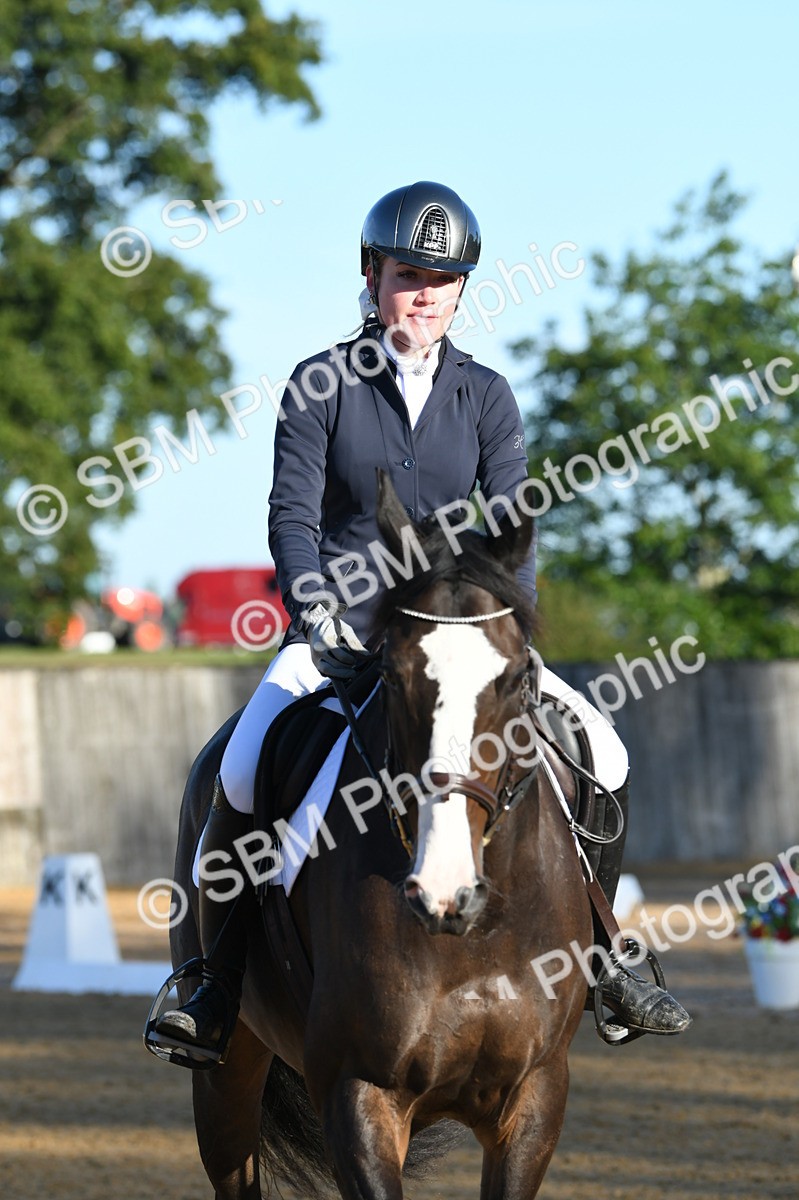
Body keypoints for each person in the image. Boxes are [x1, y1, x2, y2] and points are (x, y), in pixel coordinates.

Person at [155, 181, 691, 1057]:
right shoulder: (319, 385)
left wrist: (504, 621)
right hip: (342, 634)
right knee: (242, 769)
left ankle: (605, 963)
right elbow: (292, 516)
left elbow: (512, 524)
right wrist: (315, 610)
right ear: (371, 276)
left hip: (461, 638)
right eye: (409, 274)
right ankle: (215, 981)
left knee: (604, 748)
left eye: (444, 279)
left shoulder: (486, 395)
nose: (426, 293)